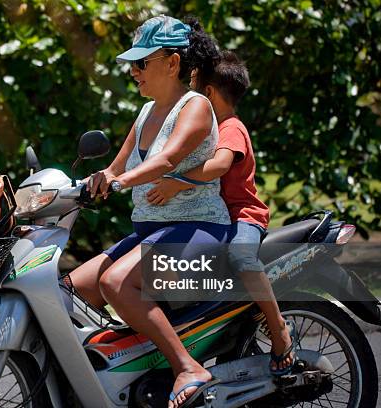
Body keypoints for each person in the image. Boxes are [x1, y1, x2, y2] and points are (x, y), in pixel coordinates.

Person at [69, 16, 230, 408]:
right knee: (71, 289)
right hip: (151, 233)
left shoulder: (195, 106)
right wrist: (95, 181)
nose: (133, 71)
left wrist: (122, 183)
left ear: (172, 63)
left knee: (117, 283)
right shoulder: (145, 113)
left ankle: (188, 367)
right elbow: (117, 166)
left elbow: (168, 159)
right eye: (132, 63)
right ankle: (126, 365)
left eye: (142, 62)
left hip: (199, 230)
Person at [146, 50, 297, 375]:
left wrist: (177, 183)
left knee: (241, 257)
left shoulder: (231, 127)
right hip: (216, 219)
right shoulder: (210, 127)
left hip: (244, 216)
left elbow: (220, 164)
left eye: (194, 88)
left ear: (209, 93)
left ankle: (279, 328)